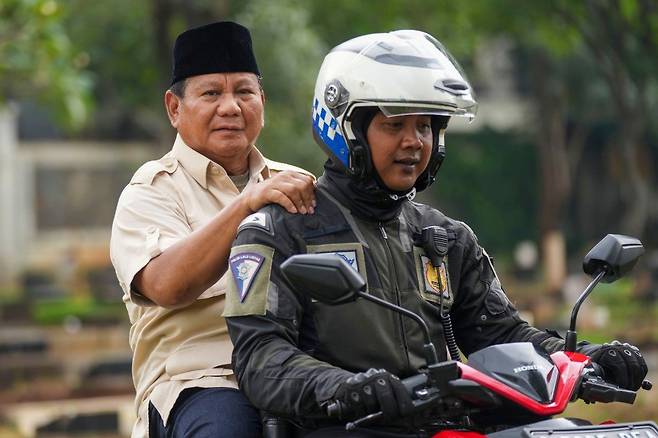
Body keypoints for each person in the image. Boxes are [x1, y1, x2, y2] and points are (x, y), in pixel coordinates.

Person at [223, 30, 648, 436]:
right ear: (346, 128)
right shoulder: (279, 230)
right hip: (349, 426)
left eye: (425, 126)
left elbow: (501, 334)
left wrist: (582, 355)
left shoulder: (445, 237)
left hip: (450, 424)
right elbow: (262, 358)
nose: (414, 142)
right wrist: (342, 387)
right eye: (395, 125)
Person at [110, 21, 315, 437]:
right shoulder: (151, 191)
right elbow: (166, 284)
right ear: (174, 108)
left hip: (304, 372)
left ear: (263, 100)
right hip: (204, 381)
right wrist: (246, 205)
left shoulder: (298, 182)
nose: (231, 107)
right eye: (210, 93)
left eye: (244, 91)